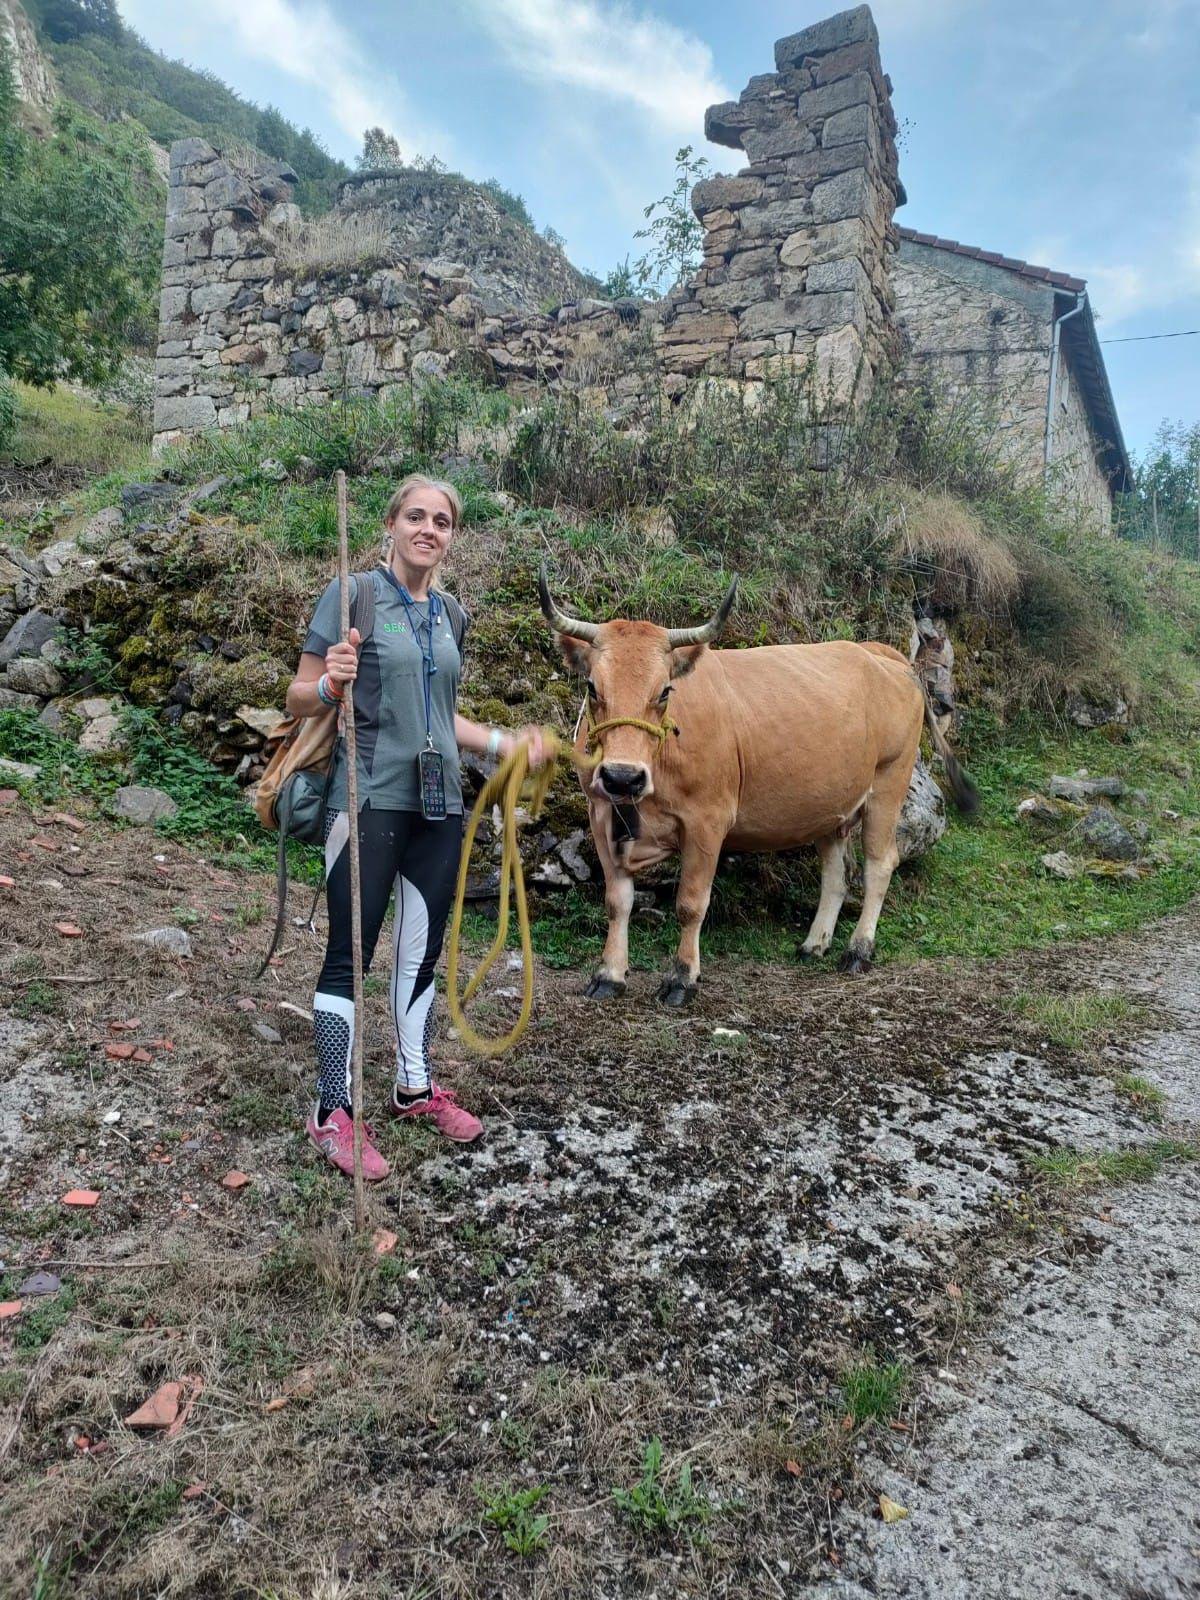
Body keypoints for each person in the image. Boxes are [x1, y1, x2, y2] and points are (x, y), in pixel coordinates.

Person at [286, 474, 547, 1181]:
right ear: (391, 524)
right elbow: (298, 695)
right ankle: (331, 1110)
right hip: (367, 798)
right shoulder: (353, 598)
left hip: (439, 808)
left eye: (442, 521)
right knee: (350, 954)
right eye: (416, 516)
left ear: (451, 536)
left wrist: (501, 743)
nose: (428, 529)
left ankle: (413, 1087)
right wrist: (330, 683)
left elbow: (441, 717)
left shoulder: (452, 614)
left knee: (420, 955)